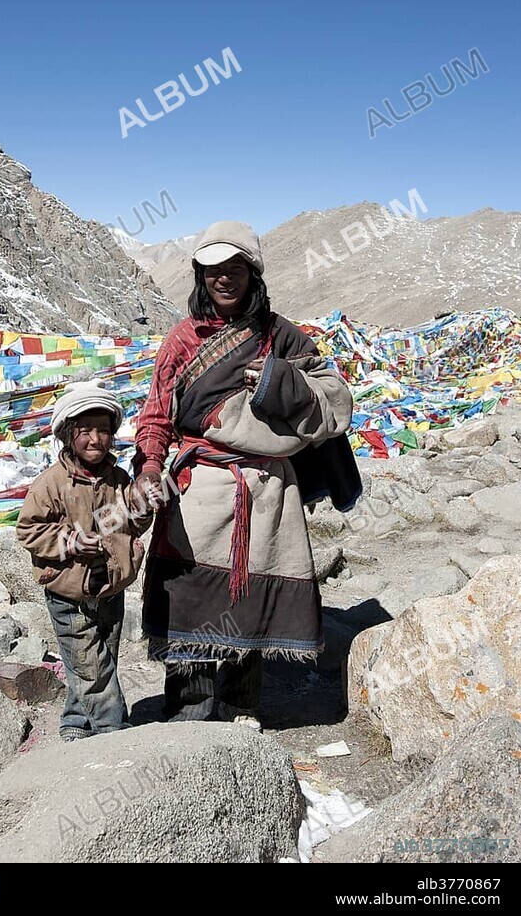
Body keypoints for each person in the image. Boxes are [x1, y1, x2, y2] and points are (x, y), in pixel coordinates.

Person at [132, 221, 360, 730]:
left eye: (235, 269)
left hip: (265, 490)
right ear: (201, 277)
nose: (224, 280)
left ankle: (240, 711)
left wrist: (279, 382)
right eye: (213, 271)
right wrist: (149, 465)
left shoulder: (281, 335)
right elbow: (156, 415)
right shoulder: (183, 340)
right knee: (189, 598)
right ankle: (188, 714)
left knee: (249, 600)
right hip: (199, 488)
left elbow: (335, 398)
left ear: (252, 274)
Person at [16, 380, 152, 741]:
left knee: (97, 659)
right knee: (92, 666)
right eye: (86, 430)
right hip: (68, 592)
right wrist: (72, 542)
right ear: (67, 435)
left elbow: (133, 522)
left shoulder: (119, 480)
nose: (96, 439)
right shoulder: (51, 484)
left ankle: (76, 721)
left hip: (111, 587)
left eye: (104, 430)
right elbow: (29, 531)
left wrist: (142, 504)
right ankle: (112, 731)